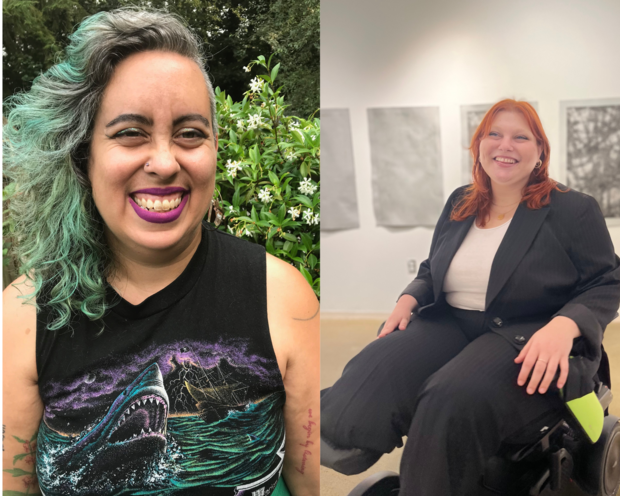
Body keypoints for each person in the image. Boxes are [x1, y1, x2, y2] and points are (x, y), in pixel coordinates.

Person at [2, 9, 319, 496]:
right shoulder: (23, 316)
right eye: (130, 132)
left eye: (190, 134)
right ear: (83, 154)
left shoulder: (283, 299)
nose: (166, 162)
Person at [320, 99, 620, 495]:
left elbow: (607, 281)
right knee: (370, 376)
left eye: (520, 136)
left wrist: (565, 325)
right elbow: (433, 268)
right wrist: (408, 299)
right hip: (451, 324)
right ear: (479, 146)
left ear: (540, 151)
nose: (504, 145)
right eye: (493, 134)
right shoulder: (461, 202)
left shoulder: (572, 209)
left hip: (527, 334)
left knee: (450, 401)